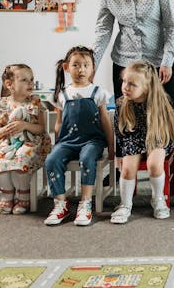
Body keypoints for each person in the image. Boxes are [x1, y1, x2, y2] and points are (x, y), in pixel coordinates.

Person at [93, 0, 174, 164]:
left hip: (158, 60)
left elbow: (172, 26)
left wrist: (166, 61)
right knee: (126, 114)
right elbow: (103, 29)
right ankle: (123, 166)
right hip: (125, 61)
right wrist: (91, 64)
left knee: (168, 110)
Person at [43, 46, 114, 226]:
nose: (81, 70)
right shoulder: (62, 94)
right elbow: (59, 122)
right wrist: (57, 146)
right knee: (51, 161)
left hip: (92, 141)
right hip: (67, 141)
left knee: (87, 157)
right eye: (76, 65)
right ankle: (61, 203)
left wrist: (112, 145)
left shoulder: (98, 92)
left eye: (85, 65)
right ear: (67, 67)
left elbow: (106, 121)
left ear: (92, 68)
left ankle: (85, 202)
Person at [111, 61, 174, 224]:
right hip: (133, 137)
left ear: (146, 88)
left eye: (132, 84)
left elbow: (170, 126)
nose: (125, 87)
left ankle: (158, 198)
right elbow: (119, 131)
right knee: (126, 169)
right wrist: (120, 153)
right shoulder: (122, 102)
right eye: (124, 82)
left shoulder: (161, 101)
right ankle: (125, 204)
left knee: (154, 165)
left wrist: (166, 145)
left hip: (157, 136)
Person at [0, 64, 51, 214]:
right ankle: (7, 192)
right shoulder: (2, 104)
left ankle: (23, 192)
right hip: (6, 142)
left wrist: (25, 125)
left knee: (22, 157)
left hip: (30, 140)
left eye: (32, 79)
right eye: (25, 80)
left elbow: (41, 128)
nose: (31, 83)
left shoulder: (35, 103)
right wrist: (3, 130)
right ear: (9, 84)